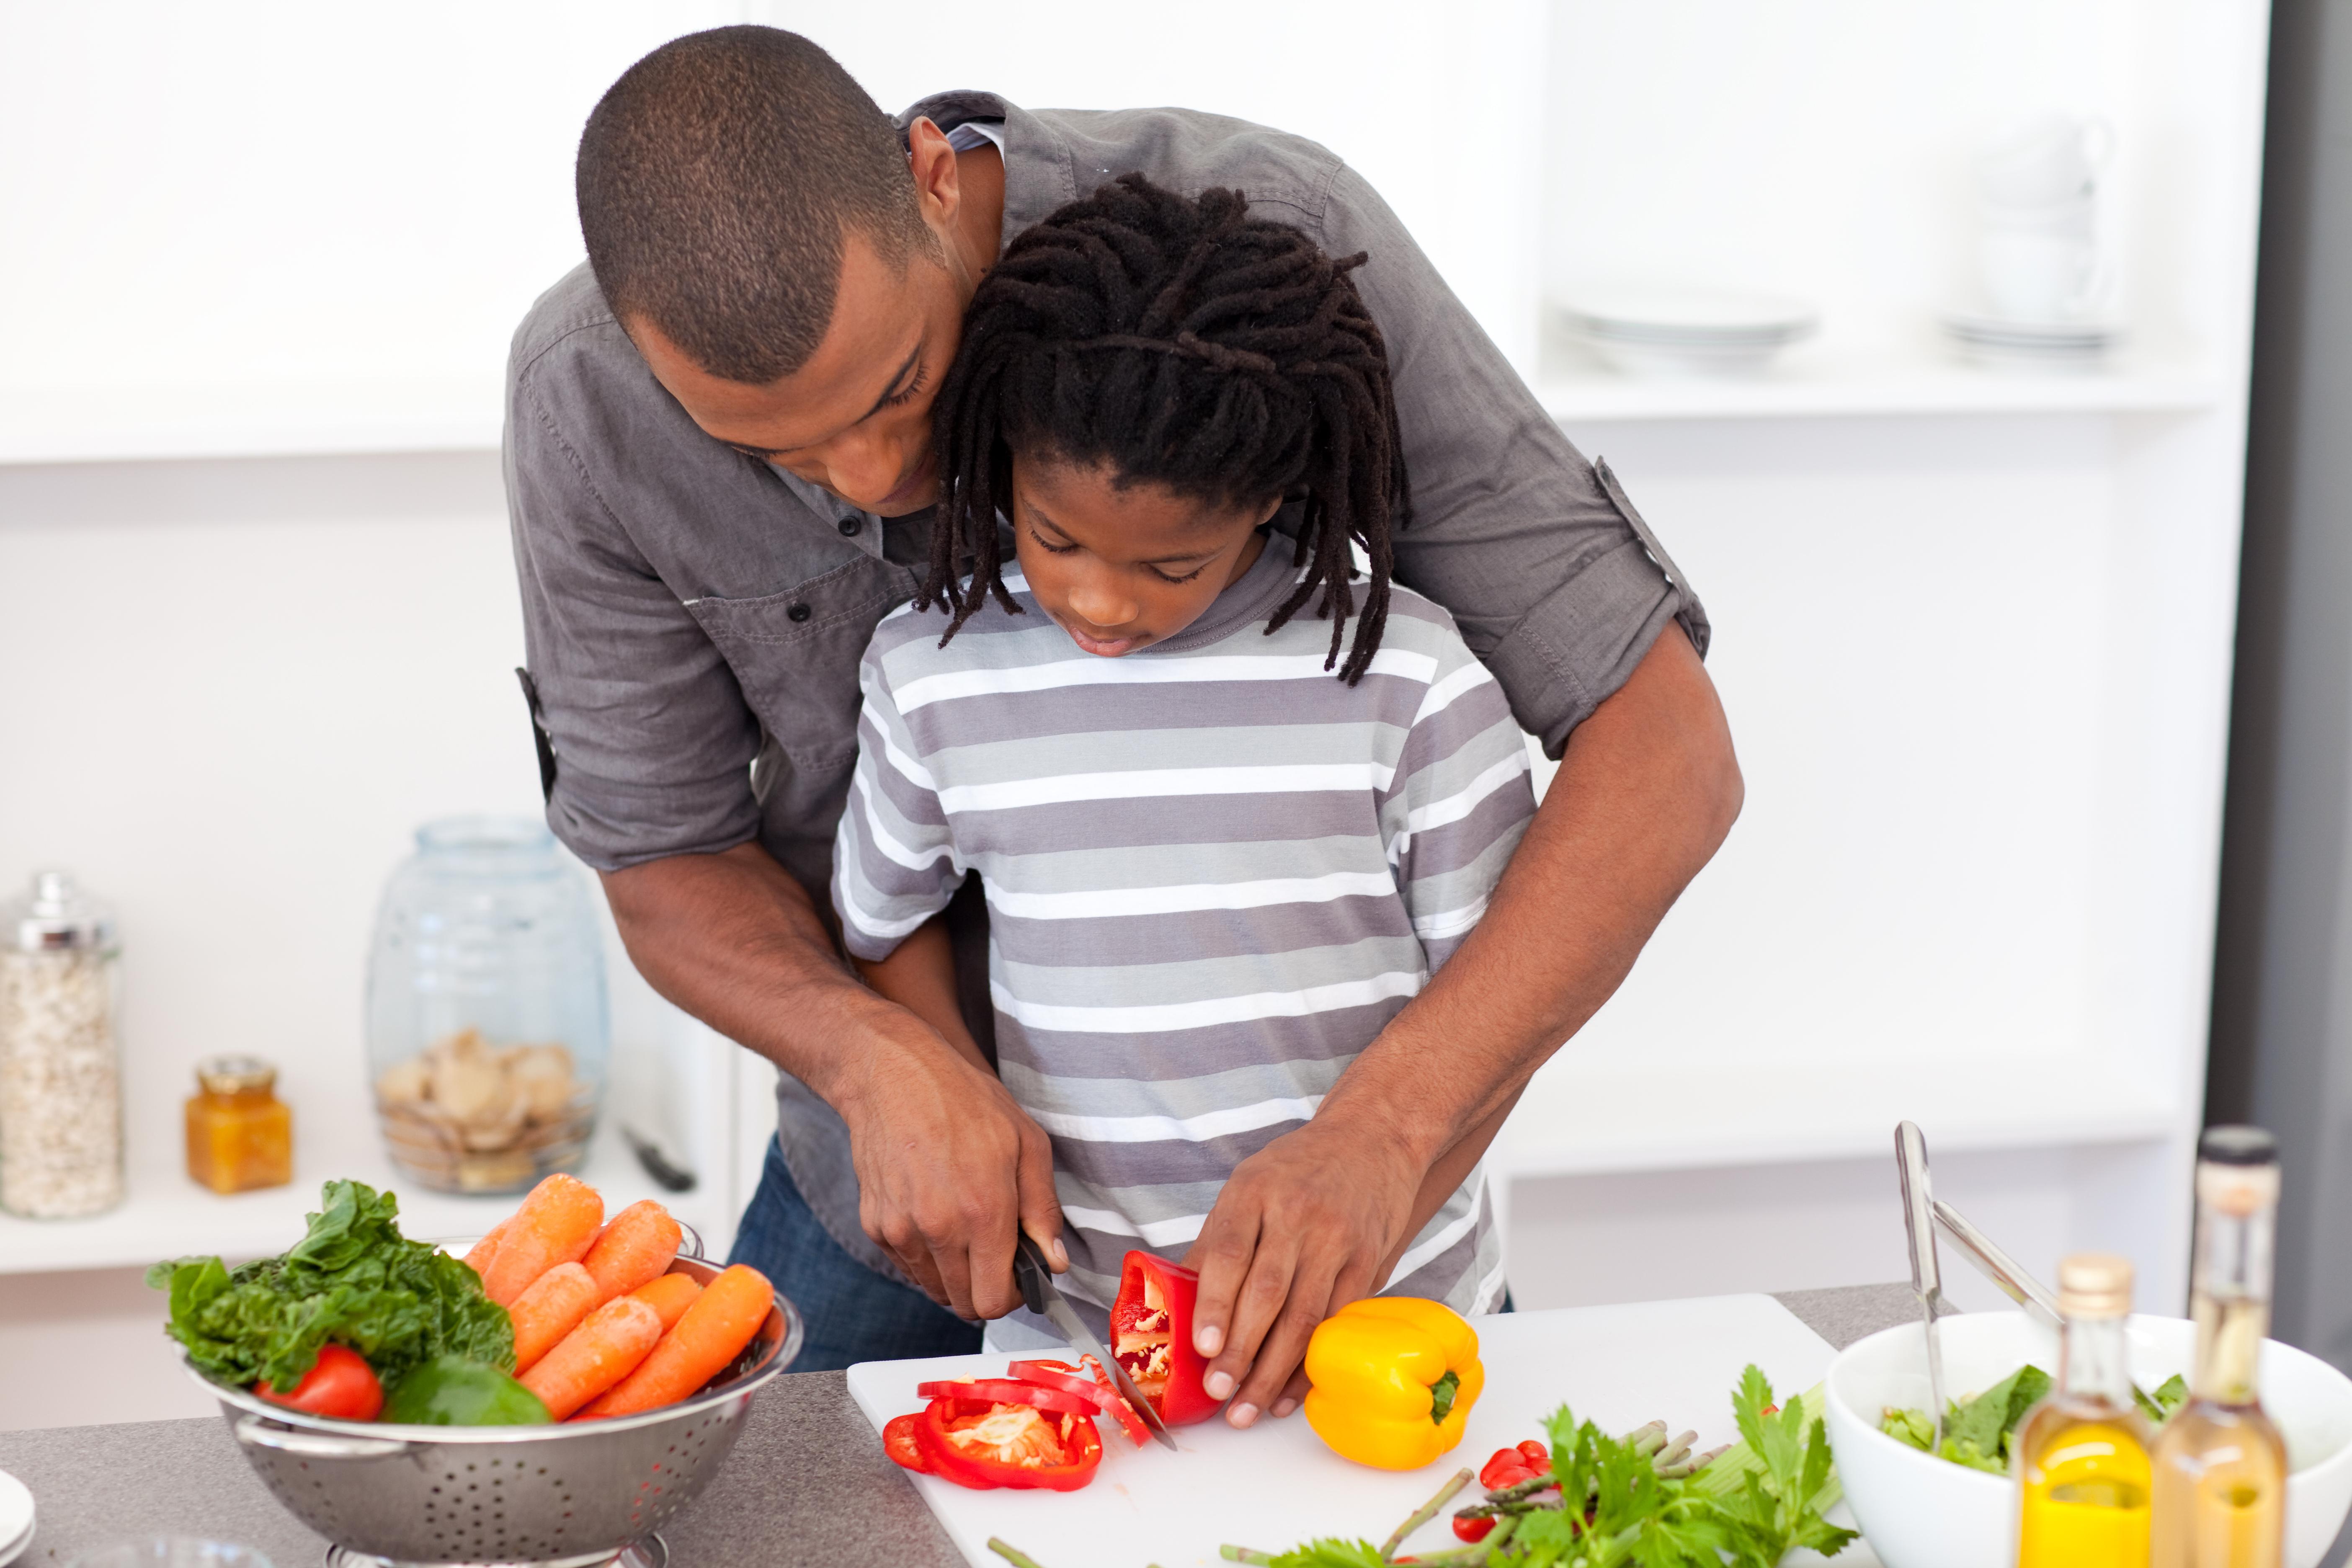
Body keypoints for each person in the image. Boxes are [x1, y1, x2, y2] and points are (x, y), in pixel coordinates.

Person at [506, 26, 1739, 1424]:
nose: (879, 473)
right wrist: (880, 1059)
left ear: (927, 174)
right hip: (882, 1185)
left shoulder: (1278, 245)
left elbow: (1668, 750)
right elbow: (662, 859)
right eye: (776, 453)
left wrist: (1385, 1138)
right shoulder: (584, 401)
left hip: (1337, 1225)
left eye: (903, 384)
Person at [836, 174, 1534, 1351]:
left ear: (1270, 498)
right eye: (1056, 539)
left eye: (1173, 567)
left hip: (1395, 1324)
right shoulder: (935, 674)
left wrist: (1378, 1187)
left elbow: (1506, 1009)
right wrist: (960, 1097)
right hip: (1082, 1341)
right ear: (1000, 452)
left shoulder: (1408, 681)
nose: (1101, 602)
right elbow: (881, 919)